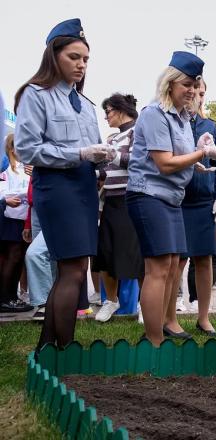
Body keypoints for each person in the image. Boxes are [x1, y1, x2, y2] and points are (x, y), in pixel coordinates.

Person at [14, 19, 115, 350]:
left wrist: (103, 156)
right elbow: (28, 149)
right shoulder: (36, 95)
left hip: (84, 189)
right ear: (53, 55)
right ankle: (66, 352)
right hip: (56, 188)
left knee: (74, 269)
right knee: (72, 270)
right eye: (74, 57)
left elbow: (91, 150)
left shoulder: (86, 104)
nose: (81, 65)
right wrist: (81, 153)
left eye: (85, 59)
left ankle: (48, 349)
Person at [126, 51, 216, 346]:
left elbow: (179, 157)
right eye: (187, 85)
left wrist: (198, 160)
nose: (192, 92)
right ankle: (154, 341)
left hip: (170, 197)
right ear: (170, 83)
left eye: (195, 86)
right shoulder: (155, 113)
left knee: (172, 264)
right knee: (158, 267)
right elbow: (164, 163)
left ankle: (163, 329)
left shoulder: (183, 118)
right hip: (149, 195)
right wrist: (203, 154)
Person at [167, 78, 216, 338]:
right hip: (179, 200)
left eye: (201, 93)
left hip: (203, 201)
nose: (197, 98)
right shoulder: (172, 121)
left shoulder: (209, 125)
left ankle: (204, 318)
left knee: (204, 261)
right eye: (193, 92)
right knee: (177, 262)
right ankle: (169, 318)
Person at [92, 93, 144, 322]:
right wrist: (92, 171)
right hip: (110, 201)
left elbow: (137, 162)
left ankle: (145, 304)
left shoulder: (138, 131)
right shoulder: (112, 139)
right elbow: (107, 171)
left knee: (136, 256)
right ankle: (110, 301)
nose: (106, 117)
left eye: (108, 111)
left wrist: (113, 156)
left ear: (121, 109)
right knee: (104, 254)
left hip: (130, 199)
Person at [0, 134, 32, 313]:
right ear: (12, 149)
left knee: (18, 259)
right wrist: (7, 198)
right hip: (9, 217)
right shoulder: (5, 166)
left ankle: (12, 297)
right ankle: (5, 299)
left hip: (22, 218)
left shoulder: (25, 167)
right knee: (12, 258)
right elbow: (3, 191)